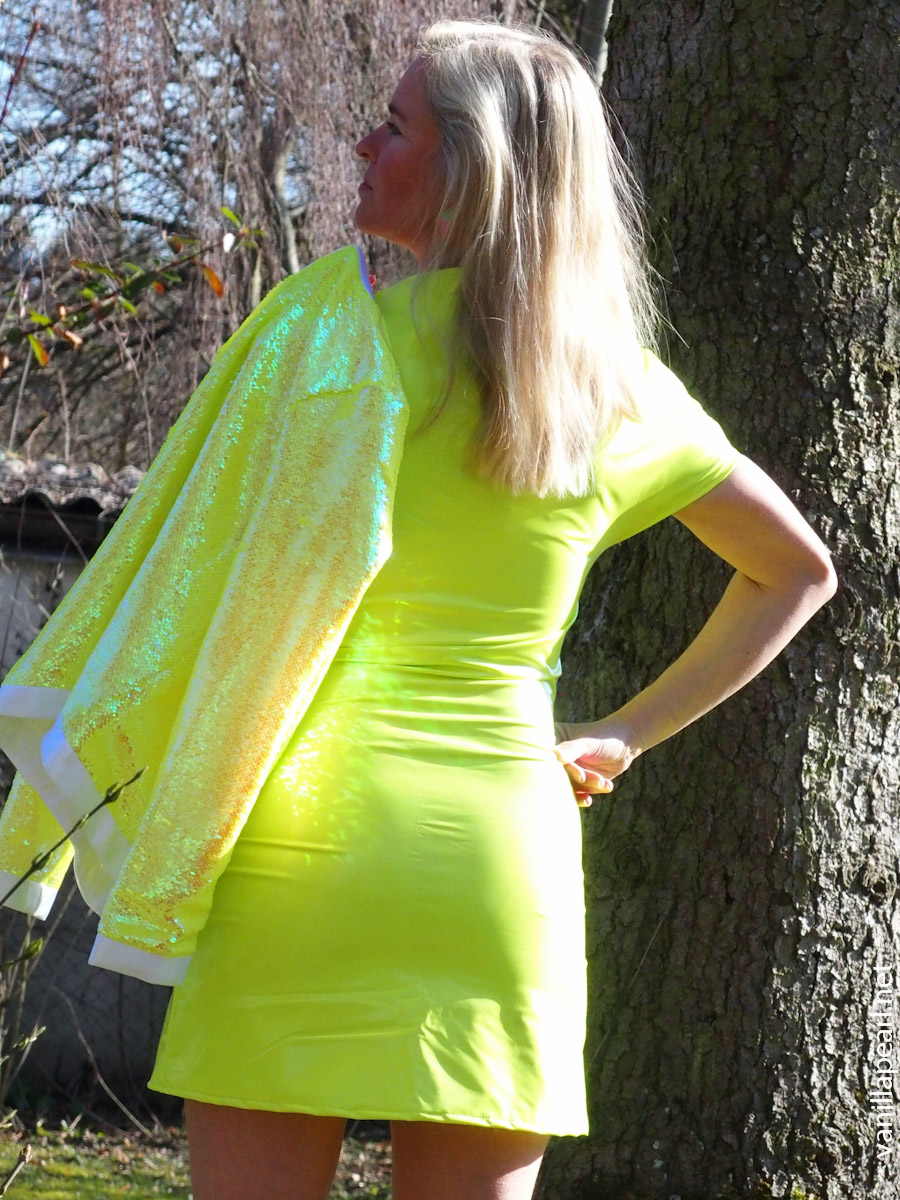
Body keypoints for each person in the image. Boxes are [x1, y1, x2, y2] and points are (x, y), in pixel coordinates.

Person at [13, 19, 837, 1200]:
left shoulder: (320, 339)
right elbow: (800, 570)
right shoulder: (621, 394)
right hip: (497, 866)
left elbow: (182, 570)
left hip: (296, 851)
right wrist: (624, 734)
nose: (361, 145)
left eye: (393, 127)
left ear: (471, 169)